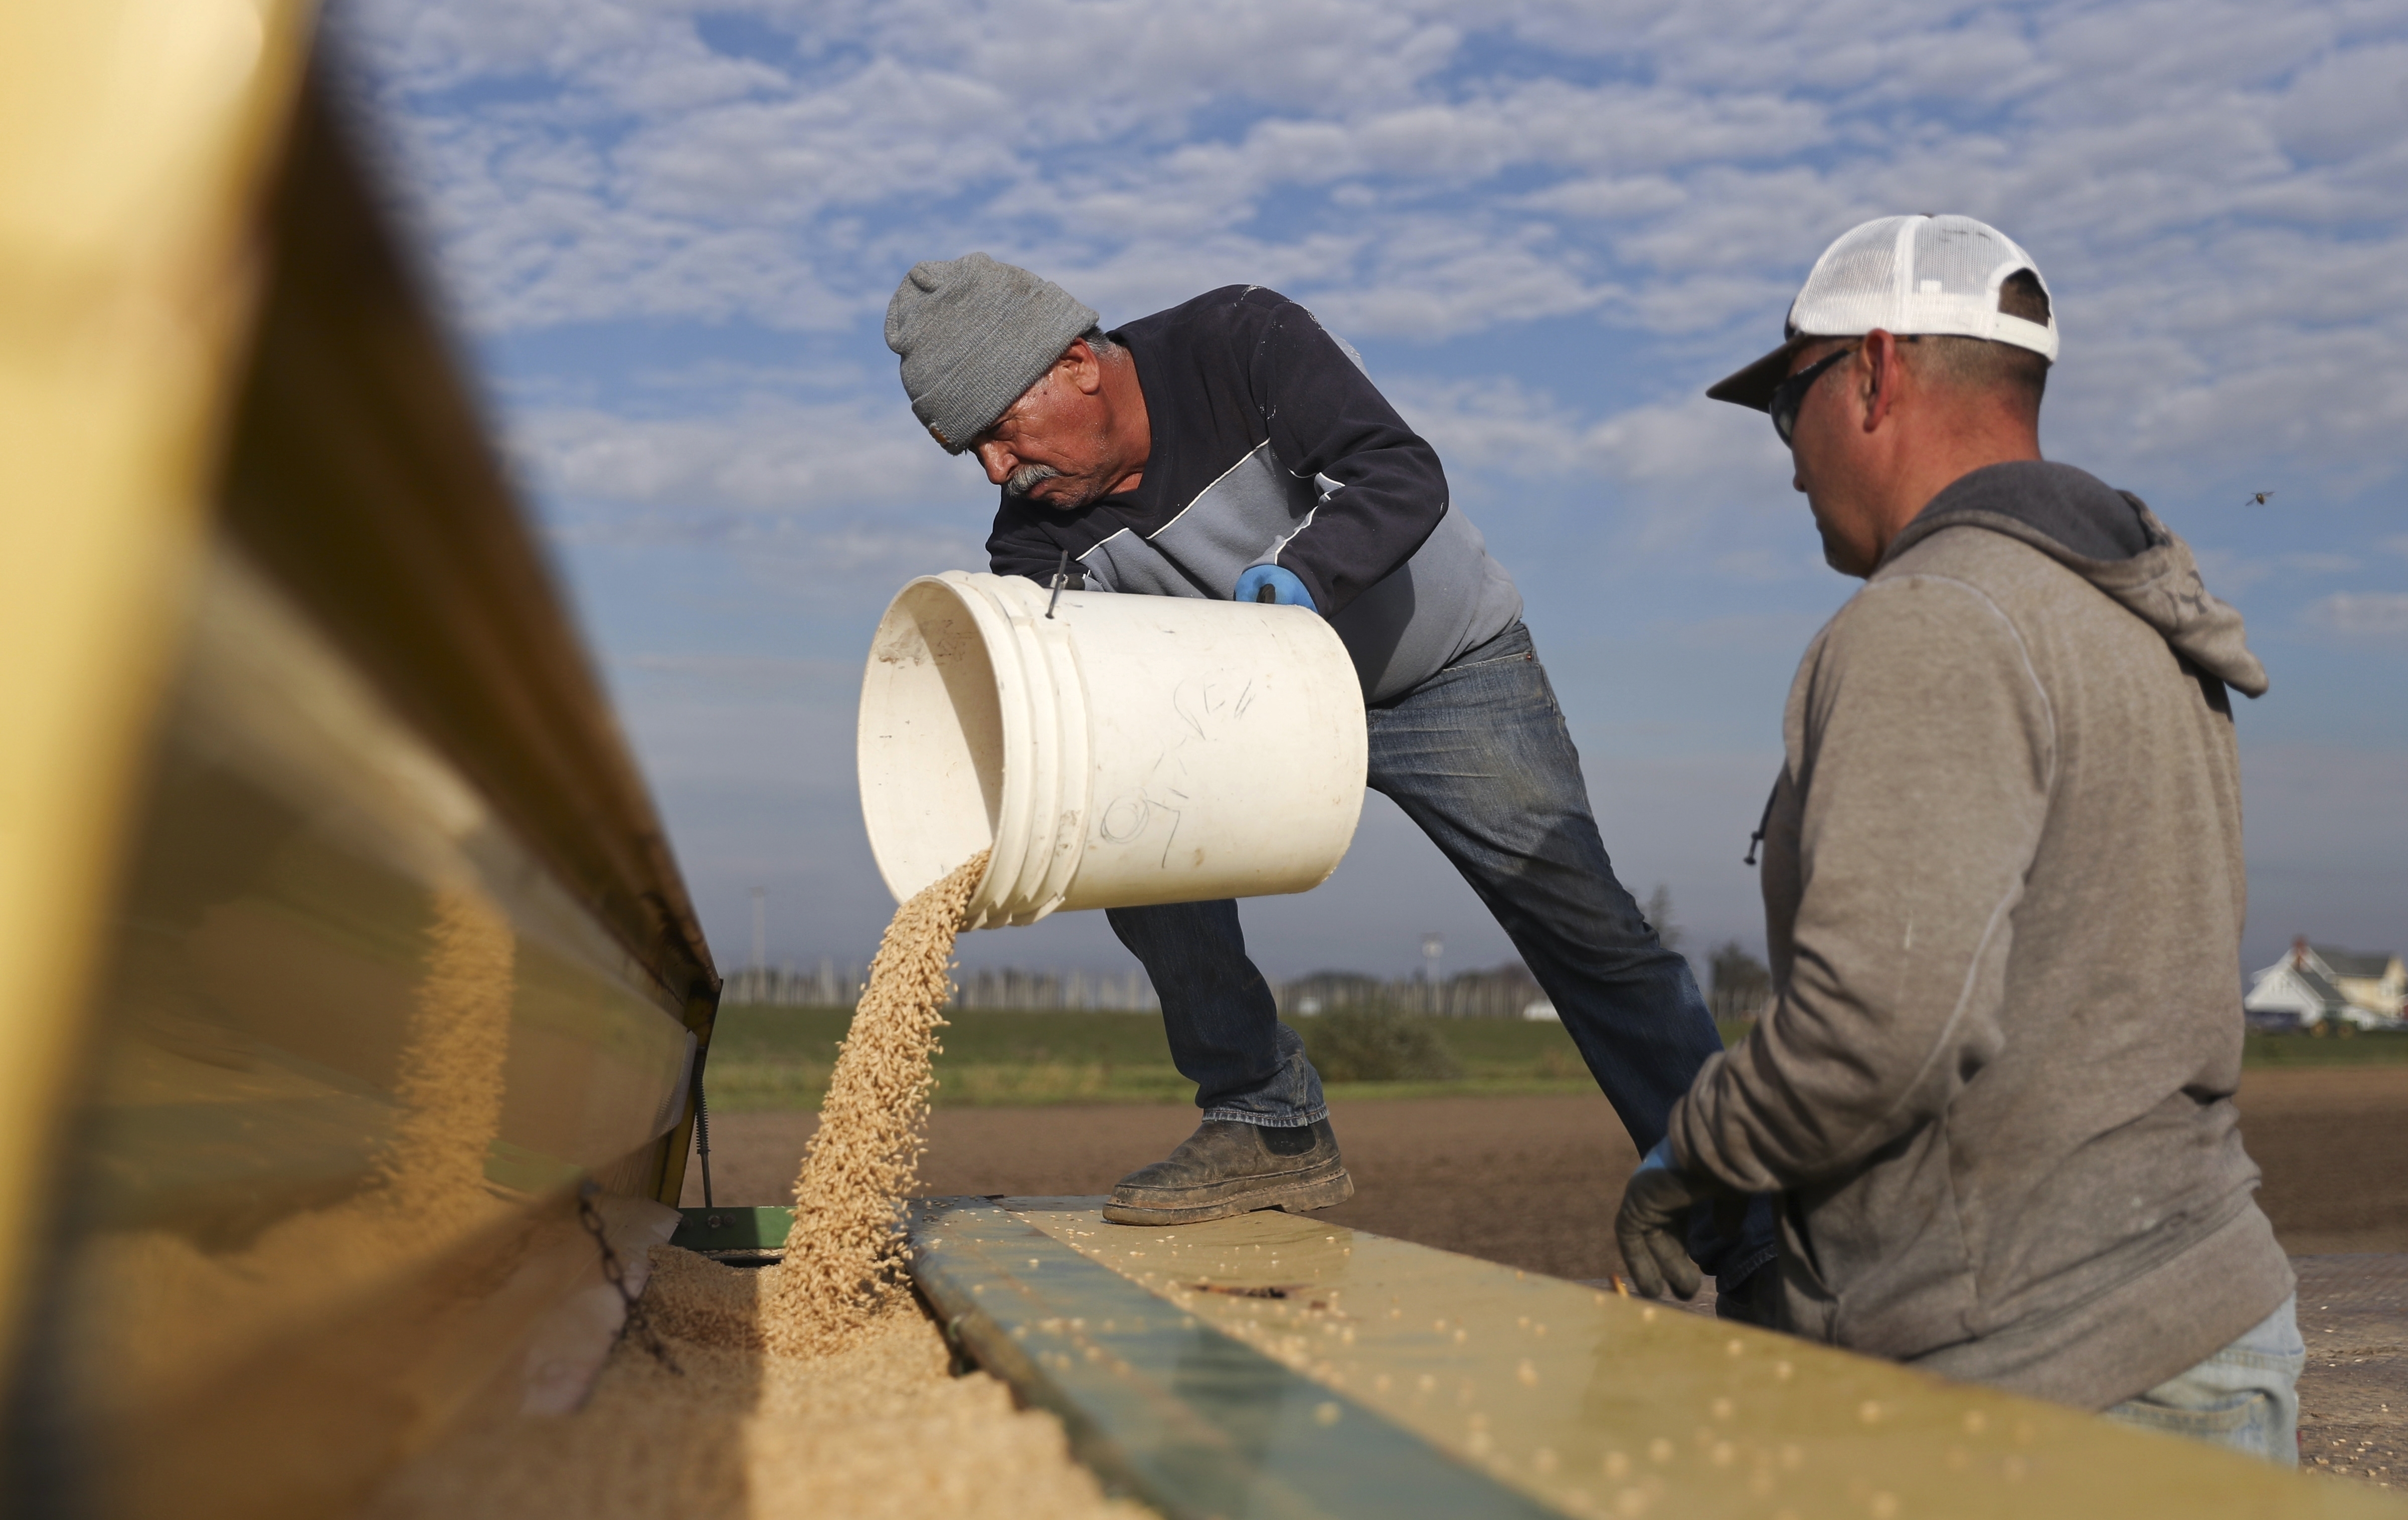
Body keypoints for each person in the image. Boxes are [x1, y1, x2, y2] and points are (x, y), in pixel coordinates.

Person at [885, 252, 1775, 1309]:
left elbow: (1399, 472)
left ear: (1076, 364)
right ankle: (1266, 1115)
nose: (996, 470)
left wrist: (1303, 573)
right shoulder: (1036, 541)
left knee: (1586, 927)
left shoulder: (1238, 344)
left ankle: (1739, 1212)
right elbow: (1052, 704)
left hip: (1439, 668)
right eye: (971, 453)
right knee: (1111, 806)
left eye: (1000, 431)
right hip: (1249, 712)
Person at [1615, 215, 2301, 1460]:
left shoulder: (1931, 617)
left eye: (1788, 407)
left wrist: (1690, 1158)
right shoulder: (2138, 615)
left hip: (2046, 1377)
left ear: (1873, 370)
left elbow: (1878, 1027)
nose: (1785, 462)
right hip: (2206, 1327)